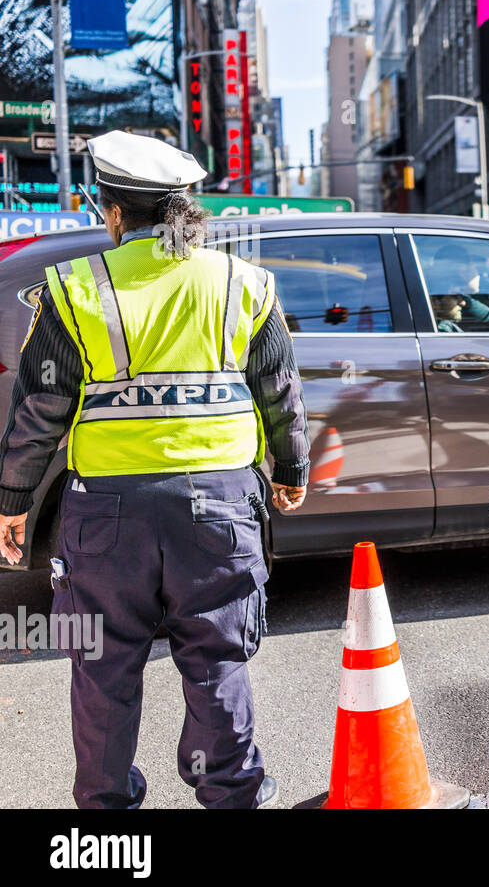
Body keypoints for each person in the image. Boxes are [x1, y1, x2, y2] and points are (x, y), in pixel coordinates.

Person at [0, 131, 310, 809]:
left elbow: (38, 410)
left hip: (106, 515)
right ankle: (230, 793)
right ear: (184, 209)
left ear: (112, 213)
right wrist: (291, 467)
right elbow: (279, 388)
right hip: (221, 508)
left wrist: (15, 499)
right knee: (216, 658)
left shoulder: (75, 288)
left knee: (102, 669)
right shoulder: (243, 284)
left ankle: (107, 810)